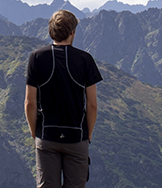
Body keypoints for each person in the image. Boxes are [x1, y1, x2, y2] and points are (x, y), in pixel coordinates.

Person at [25, 10, 102, 188]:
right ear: (72, 32)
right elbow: (92, 105)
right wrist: (88, 133)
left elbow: (30, 103)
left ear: (50, 31)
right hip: (76, 137)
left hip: (47, 136)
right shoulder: (85, 59)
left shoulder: (36, 58)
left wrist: (34, 130)